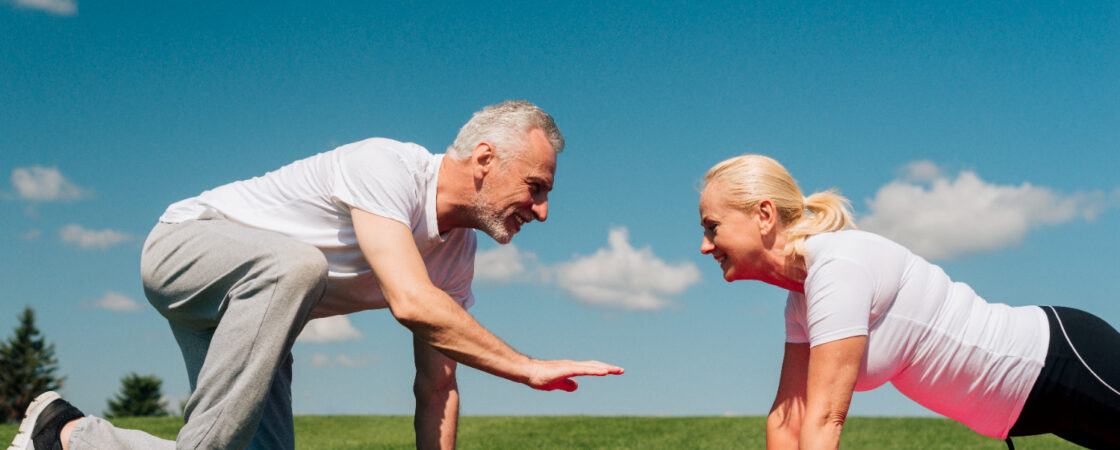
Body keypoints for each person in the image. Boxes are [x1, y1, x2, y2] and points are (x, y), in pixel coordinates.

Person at [9, 100, 624, 450]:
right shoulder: (387, 167)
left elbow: (436, 388)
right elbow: (411, 303)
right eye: (536, 188)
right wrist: (528, 368)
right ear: (485, 160)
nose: (542, 210)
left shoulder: (455, 254)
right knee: (297, 265)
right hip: (184, 251)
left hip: (258, 310)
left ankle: (66, 435)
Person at [697, 154, 1120, 449]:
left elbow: (824, 420)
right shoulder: (801, 304)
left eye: (712, 227)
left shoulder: (838, 267)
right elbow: (788, 420)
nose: (704, 245)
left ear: (764, 215)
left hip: (1056, 360)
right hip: (1031, 407)